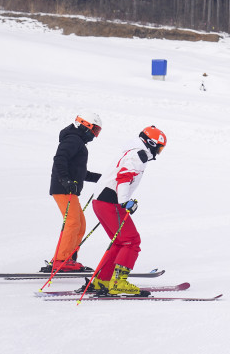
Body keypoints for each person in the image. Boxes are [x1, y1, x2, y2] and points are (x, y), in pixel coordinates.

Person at [85, 126, 167, 296]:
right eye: (159, 147)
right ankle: (118, 283)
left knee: (121, 242)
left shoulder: (133, 152)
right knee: (131, 240)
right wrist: (125, 202)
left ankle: (103, 281)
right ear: (151, 143)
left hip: (102, 201)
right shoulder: (138, 155)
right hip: (110, 201)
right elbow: (124, 177)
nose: (159, 152)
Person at [48, 112, 102, 273]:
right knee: (73, 222)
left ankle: (68, 258)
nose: (95, 136)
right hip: (63, 188)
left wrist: (102, 178)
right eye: (95, 131)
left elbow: (80, 172)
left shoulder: (77, 142)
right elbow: (59, 159)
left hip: (69, 188)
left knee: (80, 224)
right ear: (86, 126)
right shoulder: (72, 139)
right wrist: (65, 180)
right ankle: (61, 260)